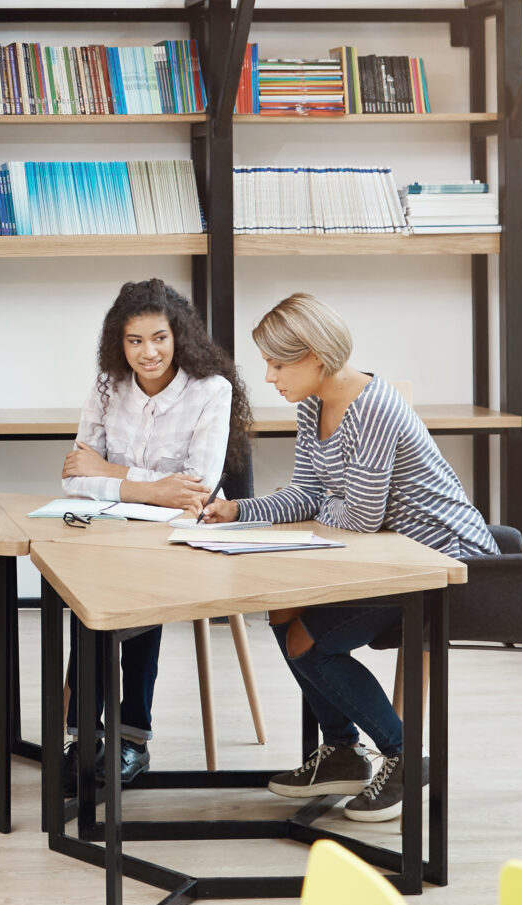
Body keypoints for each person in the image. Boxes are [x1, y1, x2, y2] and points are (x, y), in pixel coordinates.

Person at [202, 291, 499, 822]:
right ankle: (341, 752)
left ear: (315, 356)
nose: (269, 377)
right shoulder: (314, 405)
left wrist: (324, 508)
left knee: (307, 640)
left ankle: (405, 757)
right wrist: (240, 509)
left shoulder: (375, 407)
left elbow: (359, 518)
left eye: (276, 363)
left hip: (445, 560)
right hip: (394, 557)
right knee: (284, 613)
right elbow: (312, 495)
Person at [59, 278, 254, 787]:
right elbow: (74, 477)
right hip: (107, 531)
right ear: (118, 344)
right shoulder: (107, 386)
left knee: (135, 600)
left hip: (179, 538)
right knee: (89, 597)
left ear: (179, 336)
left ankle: (130, 739)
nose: (149, 352)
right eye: (135, 341)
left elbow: (197, 489)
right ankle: (82, 739)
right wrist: (149, 488)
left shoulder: (211, 390)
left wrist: (112, 472)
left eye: (160, 338)